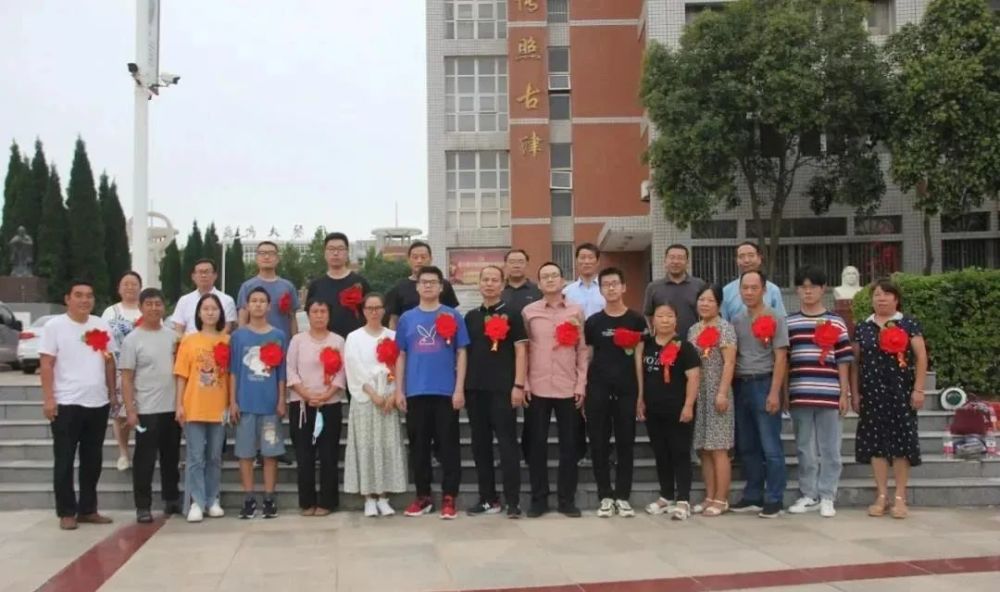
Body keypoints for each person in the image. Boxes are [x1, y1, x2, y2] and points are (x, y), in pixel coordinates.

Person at [394, 266, 470, 519]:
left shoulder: (452, 315)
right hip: (416, 391)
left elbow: (461, 352)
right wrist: (399, 390)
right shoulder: (407, 319)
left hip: (445, 392)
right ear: (417, 287)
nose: (427, 286)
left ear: (441, 287)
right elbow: (401, 355)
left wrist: (459, 388)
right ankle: (423, 496)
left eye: (433, 282)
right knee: (419, 448)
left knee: (448, 446)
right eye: (423, 282)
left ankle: (449, 497)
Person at [41, 281, 117, 530]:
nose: (85, 300)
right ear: (68, 299)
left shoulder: (100, 324)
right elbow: (46, 364)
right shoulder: (55, 326)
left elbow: (109, 361)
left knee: (92, 460)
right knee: (64, 459)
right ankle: (66, 511)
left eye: (89, 296)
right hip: (66, 403)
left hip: (97, 402)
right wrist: (49, 398)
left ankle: (88, 509)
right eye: (79, 295)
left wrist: (112, 393)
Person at [852, 279, 927, 520]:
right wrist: (855, 392)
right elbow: (855, 362)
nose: (881, 298)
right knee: (876, 445)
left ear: (896, 299)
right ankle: (882, 495)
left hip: (901, 393)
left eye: (886, 294)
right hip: (872, 394)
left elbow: (921, 357)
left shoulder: (908, 323)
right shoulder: (863, 327)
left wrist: (919, 389)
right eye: (877, 294)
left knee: (901, 443)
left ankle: (900, 497)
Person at [786, 266, 854, 518]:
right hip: (800, 393)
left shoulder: (836, 321)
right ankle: (809, 494)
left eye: (813, 286)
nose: (808, 291)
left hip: (829, 392)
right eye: (803, 287)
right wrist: (785, 394)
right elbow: (785, 360)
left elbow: (844, 359)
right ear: (797, 290)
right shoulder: (790, 322)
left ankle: (827, 495)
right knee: (805, 448)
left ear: (823, 289)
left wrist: (844, 393)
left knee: (830, 449)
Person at [522, 262, 588, 518]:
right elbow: (525, 350)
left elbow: (582, 350)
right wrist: (524, 382)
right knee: (536, 446)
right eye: (545, 276)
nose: (550, 279)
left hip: (567, 386)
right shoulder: (529, 312)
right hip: (537, 387)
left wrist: (581, 383)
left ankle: (566, 499)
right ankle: (539, 499)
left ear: (562, 281)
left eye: (554, 275)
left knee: (569, 446)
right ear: (538, 284)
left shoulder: (576, 310)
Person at [464, 266, 527, 518]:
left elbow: (521, 351)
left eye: (494, 280)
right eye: (485, 279)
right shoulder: (470, 317)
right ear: (479, 284)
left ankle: (513, 501)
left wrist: (519, 385)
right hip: (475, 389)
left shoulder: (513, 314)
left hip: (503, 390)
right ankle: (488, 498)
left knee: (507, 446)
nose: (489, 284)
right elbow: (464, 354)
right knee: (480, 447)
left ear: (502, 285)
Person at [584, 267, 646, 518]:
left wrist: (641, 395)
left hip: (627, 390)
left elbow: (639, 359)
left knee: (625, 443)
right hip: (597, 389)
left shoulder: (636, 320)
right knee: (598, 443)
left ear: (624, 287)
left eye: (614, 283)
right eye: (605, 284)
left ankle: (622, 495)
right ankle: (605, 496)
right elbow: (588, 357)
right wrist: (583, 388)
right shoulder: (593, 322)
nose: (610, 288)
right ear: (600, 290)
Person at [730, 270, 789, 518]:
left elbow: (781, 357)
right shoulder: (736, 320)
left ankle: (774, 498)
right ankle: (753, 495)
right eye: (745, 288)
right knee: (747, 445)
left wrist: (775, 393)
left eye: (754, 288)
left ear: (764, 290)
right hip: (740, 385)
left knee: (770, 446)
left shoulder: (775, 317)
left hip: (764, 383)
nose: (749, 292)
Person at [344, 293, 408, 517]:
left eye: (377, 307)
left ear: (384, 310)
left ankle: (383, 496)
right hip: (366, 399)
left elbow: (397, 366)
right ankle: (368, 497)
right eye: (369, 308)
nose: (374, 312)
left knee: (386, 446)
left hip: (388, 400)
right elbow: (354, 368)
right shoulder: (354, 337)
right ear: (363, 311)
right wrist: (373, 394)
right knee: (366, 447)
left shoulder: (392, 336)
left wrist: (392, 393)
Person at [120, 288, 181, 523]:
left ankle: (171, 498)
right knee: (144, 460)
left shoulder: (174, 337)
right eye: (149, 304)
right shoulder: (132, 340)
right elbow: (126, 378)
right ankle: (143, 506)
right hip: (146, 409)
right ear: (141, 307)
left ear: (164, 307)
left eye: (158, 304)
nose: (154, 308)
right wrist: (130, 410)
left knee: (171, 457)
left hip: (172, 408)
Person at [636, 303, 701, 520]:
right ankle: (666, 496)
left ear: (676, 320)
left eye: (669, 316)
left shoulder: (685, 347)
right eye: (660, 316)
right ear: (653, 320)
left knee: (680, 453)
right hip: (654, 409)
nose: (665, 320)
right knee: (661, 453)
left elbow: (694, 377)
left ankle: (683, 499)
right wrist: (641, 400)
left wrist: (688, 405)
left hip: (678, 409)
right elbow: (641, 374)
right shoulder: (646, 345)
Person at [228, 287, 288, 519]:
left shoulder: (278, 335)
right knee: (245, 454)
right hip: (246, 404)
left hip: (270, 405)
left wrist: (281, 399)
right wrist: (233, 401)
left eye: (262, 301)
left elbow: (281, 373)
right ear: (247, 305)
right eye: (254, 301)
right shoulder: (238, 337)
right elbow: (234, 371)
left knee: (270, 454)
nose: (258, 305)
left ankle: (269, 498)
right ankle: (249, 498)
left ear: (269, 306)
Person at [286, 299, 346, 516]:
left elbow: (342, 373)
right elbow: (290, 370)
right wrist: (306, 394)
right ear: (308, 315)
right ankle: (307, 502)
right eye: (315, 311)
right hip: (302, 405)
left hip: (329, 404)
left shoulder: (338, 341)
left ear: (329, 315)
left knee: (329, 455)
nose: (319, 315)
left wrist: (327, 394)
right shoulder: (297, 340)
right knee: (304, 455)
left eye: (323, 311)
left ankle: (327, 502)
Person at [174, 293, 229, 522]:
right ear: (198, 313)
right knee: (196, 457)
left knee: (214, 456)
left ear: (220, 313)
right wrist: (178, 404)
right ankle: (197, 501)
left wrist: (231, 403)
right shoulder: (189, 341)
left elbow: (231, 376)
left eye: (214, 308)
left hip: (219, 406)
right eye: (205, 308)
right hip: (194, 405)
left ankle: (212, 499)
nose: (210, 312)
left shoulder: (227, 341)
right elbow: (181, 375)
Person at [688, 284, 737, 517]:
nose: (705, 304)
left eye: (710, 300)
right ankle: (709, 496)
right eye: (701, 299)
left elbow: (729, 363)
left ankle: (721, 499)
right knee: (704, 449)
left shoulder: (725, 328)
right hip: (699, 394)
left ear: (719, 304)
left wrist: (722, 392)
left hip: (718, 393)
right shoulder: (693, 330)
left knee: (718, 448)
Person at [562, 243, 604, 465]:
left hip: (601, 353)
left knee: (598, 403)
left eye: (590, 258)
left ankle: (600, 450)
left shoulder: (605, 288)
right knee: (575, 403)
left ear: (598, 261)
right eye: (582, 258)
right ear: (576, 261)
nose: (586, 261)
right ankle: (578, 450)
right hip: (573, 353)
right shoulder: (567, 292)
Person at [102, 271, 143, 472]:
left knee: (143, 411)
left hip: (143, 370)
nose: (130, 287)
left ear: (140, 287)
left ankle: (144, 452)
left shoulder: (147, 309)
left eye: (134, 284)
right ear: (119, 288)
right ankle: (124, 453)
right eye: (125, 284)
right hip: (118, 367)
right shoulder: (110, 312)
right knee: (120, 413)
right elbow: (102, 341)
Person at [305, 232, 372, 339]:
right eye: (331, 249)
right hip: (325, 343)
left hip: (355, 342)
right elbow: (310, 316)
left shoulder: (360, 283)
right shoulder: (316, 285)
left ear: (347, 252)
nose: (336, 253)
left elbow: (371, 313)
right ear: (324, 253)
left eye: (340, 249)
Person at [387, 241, 459, 330]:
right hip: (409, 335)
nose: (419, 261)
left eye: (423, 257)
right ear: (408, 260)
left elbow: (452, 314)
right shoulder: (399, 287)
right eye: (415, 257)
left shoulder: (443, 284)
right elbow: (394, 320)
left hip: (439, 335)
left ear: (431, 259)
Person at [643, 244, 706, 341]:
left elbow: (706, 314)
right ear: (665, 261)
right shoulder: (653, 287)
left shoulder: (699, 285)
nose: (676, 261)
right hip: (664, 343)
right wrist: (653, 334)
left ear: (687, 262)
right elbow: (648, 314)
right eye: (672, 257)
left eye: (680, 258)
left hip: (694, 342)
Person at [237, 241, 299, 337]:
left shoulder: (288, 286)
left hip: (282, 342)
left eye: (271, 253)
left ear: (277, 259)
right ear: (256, 258)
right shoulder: (247, 287)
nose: (266, 257)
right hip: (254, 343)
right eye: (262, 253)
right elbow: (242, 319)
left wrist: (295, 342)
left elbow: (292, 318)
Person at [721, 242, 786, 322]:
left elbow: (781, 321)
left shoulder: (773, 290)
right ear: (737, 261)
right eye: (741, 256)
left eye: (751, 255)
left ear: (759, 259)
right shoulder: (726, 291)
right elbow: (723, 323)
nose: (746, 260)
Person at [172, 258, 238, 335]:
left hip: (217, 341)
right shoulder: (184, 300)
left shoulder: (227, 300)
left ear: (215, 275)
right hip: (189, 341)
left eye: (207, 272)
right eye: (200, 272)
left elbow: (227, 328)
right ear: (193, 276)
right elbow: (179, 328)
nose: (203, 275)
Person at [501, 249, 542, 316]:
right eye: (512, 262)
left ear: (527, 264)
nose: (516, 266)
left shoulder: (538, 290)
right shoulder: (498, 290)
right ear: (505, 265)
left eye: (521, 262)